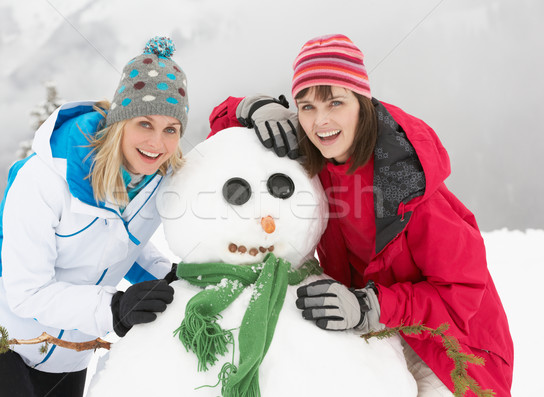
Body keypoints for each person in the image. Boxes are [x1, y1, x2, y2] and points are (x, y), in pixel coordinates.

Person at [208, 34, 513, 397]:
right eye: (306, 106)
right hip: (365, 324)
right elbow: (227, 142)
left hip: (450, 348)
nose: (321, 121)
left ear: (362, 102)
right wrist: (255, 108)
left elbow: (461, 294)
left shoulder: (408, 182)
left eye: (335, 102)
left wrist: (370, 305)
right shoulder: (314, 151)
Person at [0, 36, 188, 397]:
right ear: (120, 121)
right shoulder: (45, 177)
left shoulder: (154, 179)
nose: (157, 143)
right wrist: (116, 308)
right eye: (144, 124)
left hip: (69, 344)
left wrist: (170, 276)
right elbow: (27, 293)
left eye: (171, 129)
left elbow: (124, 240)